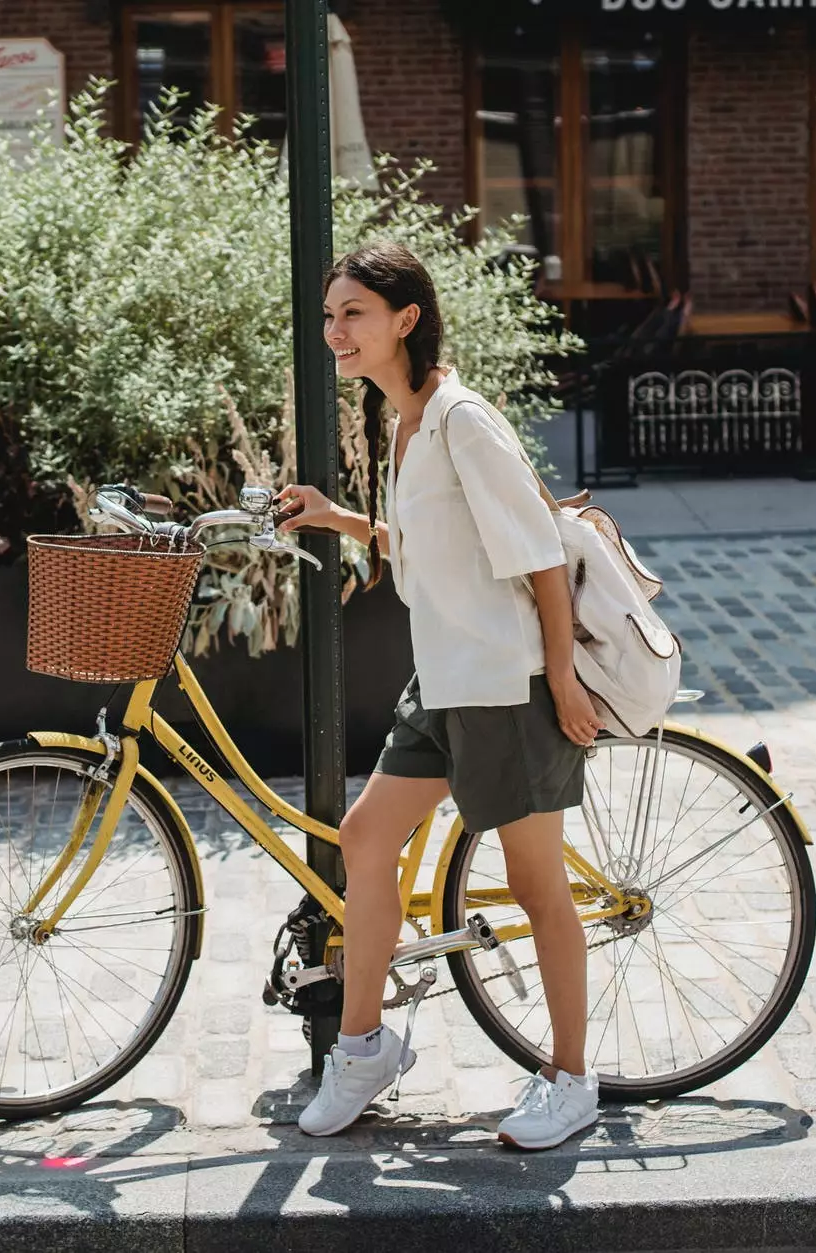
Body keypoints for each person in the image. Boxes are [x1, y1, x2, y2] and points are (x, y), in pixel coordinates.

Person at [276, 240, 604, 1150]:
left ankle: (571, 1078)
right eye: (331, 313)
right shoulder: (403, 418)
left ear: (405, 320)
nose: (335, 330)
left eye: (353, 314)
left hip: (505, 683)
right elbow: (433, 548)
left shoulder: (461, 419)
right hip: (445, 676)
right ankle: (366, 1046)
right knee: (366, 838)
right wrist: (338, 516)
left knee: (538, 887)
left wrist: (563, 680)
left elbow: (540, 552)